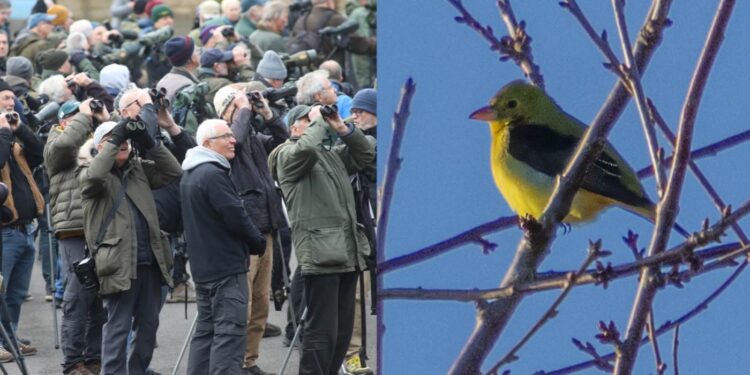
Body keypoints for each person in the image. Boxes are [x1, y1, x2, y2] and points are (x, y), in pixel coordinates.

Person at [78, 88, 181, 374]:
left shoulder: (138, 169)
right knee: (118, 327)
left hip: (149, 261)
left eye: (124, 140)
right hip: (118, 263)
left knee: (148, 327)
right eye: (112, 141)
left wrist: (150, 143)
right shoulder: (89, 174)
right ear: (100, 147)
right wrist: (118, 134)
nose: (121, 144)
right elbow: (97, 174)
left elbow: (174, 173)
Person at [268, 103, 375, 375]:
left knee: (340, 333)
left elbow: (366, 153)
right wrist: (318, 121)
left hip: (346, 251)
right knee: (321, 332)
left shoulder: (330, 155)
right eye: (308, 119)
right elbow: (303, 151)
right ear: (294, 127)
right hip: (320, 253)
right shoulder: (284, 155)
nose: (319, 123)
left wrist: (342, 127)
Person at [180, 119, 266, 375]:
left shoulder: (191, 173)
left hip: (204, 269)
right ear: (207, 144)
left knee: (206, 333)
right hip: (226, 269)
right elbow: (236, 216)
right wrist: (258, 243)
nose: (233, 140)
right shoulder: (213, 174)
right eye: (226, 136)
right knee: (229, 335)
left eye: (232, 134)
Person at [214, 85, 288, 375]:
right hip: (246, 233)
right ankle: (234, 365)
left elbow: (284, 141)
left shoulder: (254, 138)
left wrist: (267, 113)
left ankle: (249, 361)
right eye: (239, 106)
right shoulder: (229, 143)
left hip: (267, 227)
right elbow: (237, 139)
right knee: (241, 307)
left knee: (260, 304)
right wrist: (243, 108)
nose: (246, 108)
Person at [45, 98, 108, 375]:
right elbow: (64, 147)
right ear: (62, 122)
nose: (83, 120)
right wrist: (83, 117)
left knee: (101, 296)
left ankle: (95, 357)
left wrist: (105, 120)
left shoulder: (96, 136)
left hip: (104, 224)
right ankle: (73, 362)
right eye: (74, 117)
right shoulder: (56, 140)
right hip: (74, 228)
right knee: (78, 295)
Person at [0, 79, 44, 362]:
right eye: (4, 98)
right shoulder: (3, 138)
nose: (10, 102)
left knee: (15, 294)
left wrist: (20, 130)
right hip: (4, 231)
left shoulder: (12, 133)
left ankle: (10, 336)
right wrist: (4, 133)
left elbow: (39, 155)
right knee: (1, 293)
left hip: (26, 228)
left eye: (12, 98)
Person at [342, 88, 376, 375]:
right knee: (355, 296)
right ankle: (353, 355)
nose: (355, 116)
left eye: (361, 111)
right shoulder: (351, 146)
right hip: (364, 232)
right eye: (352, 111)